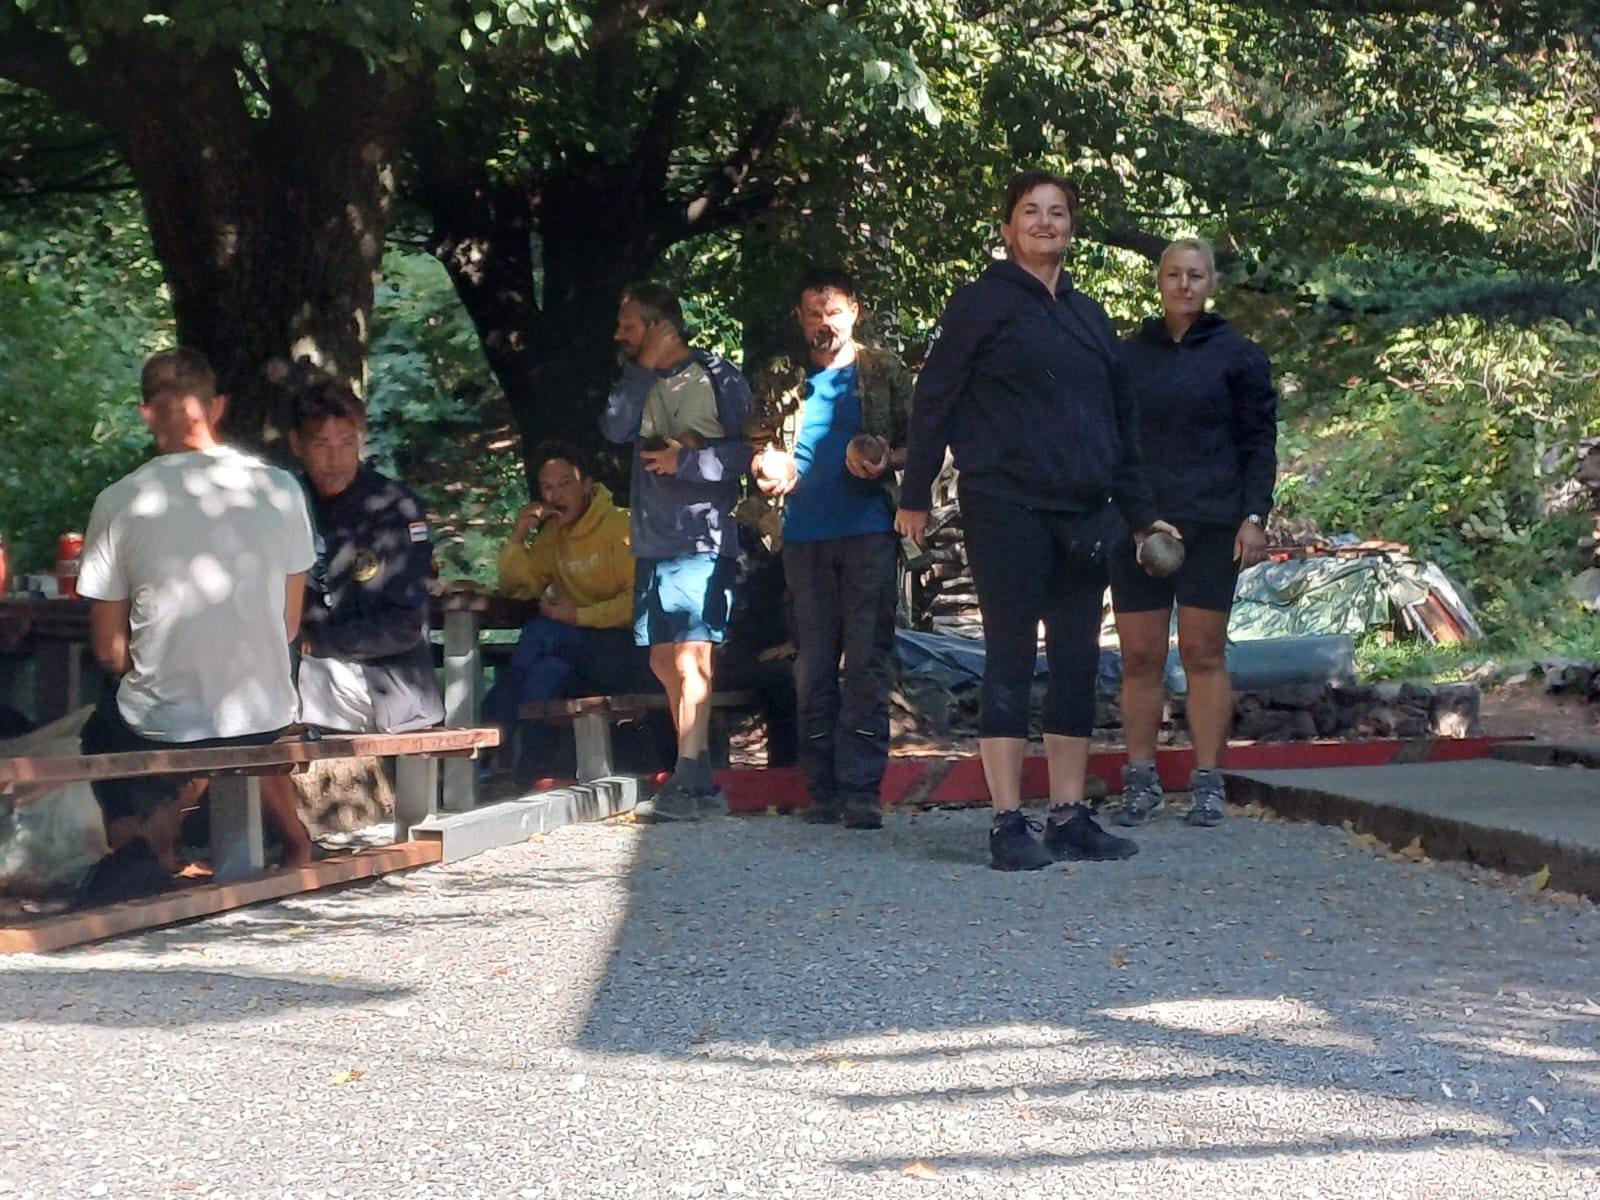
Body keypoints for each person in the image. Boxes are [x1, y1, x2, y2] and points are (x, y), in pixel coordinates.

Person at [896, 168, 1179, 872]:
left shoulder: (1090, 319)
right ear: (1008, 228)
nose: (1045, 222)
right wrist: (915, 492)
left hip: (1086, 515)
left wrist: (1142, 518)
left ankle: (1069, 816)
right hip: (1007, 507)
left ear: (1070, 229)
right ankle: (1006, 821)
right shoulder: (979, 306)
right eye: (1031, 211)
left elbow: (1122, 427)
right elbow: (935, 400)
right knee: (1011, 655)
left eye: (1057, 212)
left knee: (1078, 662)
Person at [76, 348, 316, 885]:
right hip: (264, 711)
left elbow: (109, 651)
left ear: (146, 414)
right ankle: (295, 841)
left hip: (166, 723)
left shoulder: (118, 501)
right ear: (218, 406)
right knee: (240, 710)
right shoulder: (281, 488)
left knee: (103, 729)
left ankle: (137, 848)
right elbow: (287, 626)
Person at [1107, 236, 1278, 828]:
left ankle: (1207, 781)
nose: (1185, 285)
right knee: (1140, 657)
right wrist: (1134, 517)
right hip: (1139, 526)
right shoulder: (1127, 357)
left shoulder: (1239, 356)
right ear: (1159, 282)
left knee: (1203, 654)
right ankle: (1140, 779)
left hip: (1212, 523)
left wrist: (1253, 517)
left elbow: (1259, 442)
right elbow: (1113, 443)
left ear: (1210, 284)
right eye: (1174, 275)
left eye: (1196, 275)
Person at [747, 268, 914, 829]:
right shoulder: (781, 378)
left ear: (855, 312)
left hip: (869, 532)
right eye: (815, 315)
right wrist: (763, 465)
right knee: (813, 666)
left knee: (867, 661)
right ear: (800, 318)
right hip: (801, 537)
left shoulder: (884, 370)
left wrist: (886, 460)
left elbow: (924, 443)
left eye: (835, 312)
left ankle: (862, 790)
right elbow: (755, 444)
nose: (825, 324)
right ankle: (821, 790)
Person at [601, 282, 752, 821]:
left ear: (660, 325)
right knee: (663, 659)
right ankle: (700, 782)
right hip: (651, 540)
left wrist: (684, 463)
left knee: (693, 655)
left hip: (700, 537)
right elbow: (614, 428)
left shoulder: (719, 376)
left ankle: (688, 777)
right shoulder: (636, 379)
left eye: (629, 325)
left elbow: (748, 453)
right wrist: (641, 370)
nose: (619, 334)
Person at [483, 441, 645, 782]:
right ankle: (533, 775)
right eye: (547, 487)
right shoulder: (553, 535)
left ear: (587, 485)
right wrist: (517, 537)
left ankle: (487, 738)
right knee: (544, 673)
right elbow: (520, 589)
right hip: (577, 652)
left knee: (541, 632)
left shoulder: (620, 526)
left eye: (565, 483)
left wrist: (580, 617)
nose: (555, 495)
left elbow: (639, 602)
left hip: (630, 650)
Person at [289, 381, 445, 735]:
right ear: (297, 445)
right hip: (307, 671)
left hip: (388, 684)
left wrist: (317, 642)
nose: (336, 460)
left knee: (312, 677)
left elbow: (405, 625)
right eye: (322, 445)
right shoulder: (286, 502)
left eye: (347, 443)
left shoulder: (393, 508)